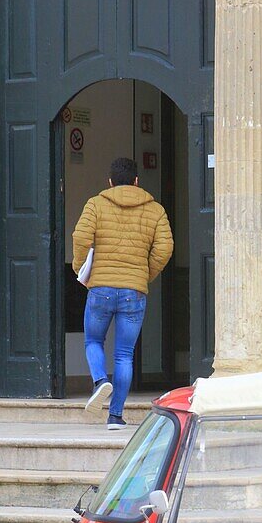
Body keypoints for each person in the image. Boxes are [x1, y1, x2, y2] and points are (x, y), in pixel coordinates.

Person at [72, 157, 173, 429]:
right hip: (134, 291)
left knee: (93, 341)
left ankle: (99, 381)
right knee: (124, 354)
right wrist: (144, 274)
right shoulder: (155, 210)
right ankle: (115, 416)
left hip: (101, 288)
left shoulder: (96, 203)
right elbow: (164, 249)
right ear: (137, 181)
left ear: (110, 182)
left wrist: (80, 267)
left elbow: (81, 237)